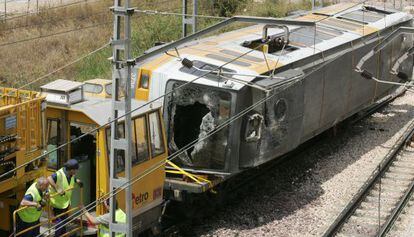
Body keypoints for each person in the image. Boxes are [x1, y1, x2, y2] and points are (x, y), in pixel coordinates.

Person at [47, 159, 83, 236]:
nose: (76, 172)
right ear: (71, 170)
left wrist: (77, 181)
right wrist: (57, 188)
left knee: (64, 222)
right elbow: (49, 178)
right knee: (60, 223)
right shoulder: (59, 174)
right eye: (76, 170)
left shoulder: (71, 174)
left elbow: (70, 180)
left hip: (65, 203)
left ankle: (63, 234)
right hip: (57, 204)